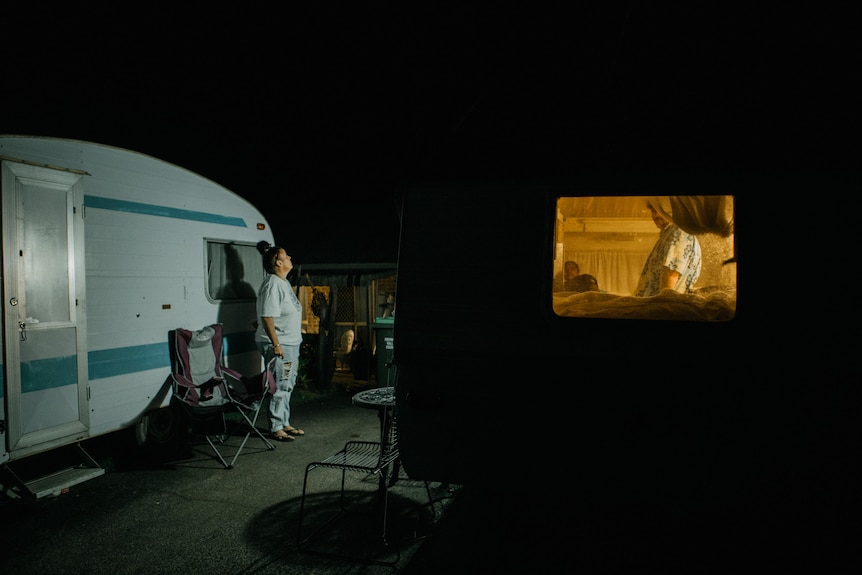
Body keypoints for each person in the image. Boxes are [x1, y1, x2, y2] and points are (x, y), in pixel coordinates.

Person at [254, 241, 305, 441]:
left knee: (288, 383)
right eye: (287, 256)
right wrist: (276, 345)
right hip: (281, 345)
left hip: (290, 343)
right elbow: (267, 316)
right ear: (278, 262)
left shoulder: (282, 282)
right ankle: (276, 426)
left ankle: (284, 422)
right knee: (281, 384)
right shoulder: (273, 283)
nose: (290, 258)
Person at [635, 201, 702, 297]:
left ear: (673, 211)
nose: (655, 216)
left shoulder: (679, 233)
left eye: (660, 211)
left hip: (657, 306)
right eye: (653, 211)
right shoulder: (669, 233)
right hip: (651, 305)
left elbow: (671, 273)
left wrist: (662, 305)